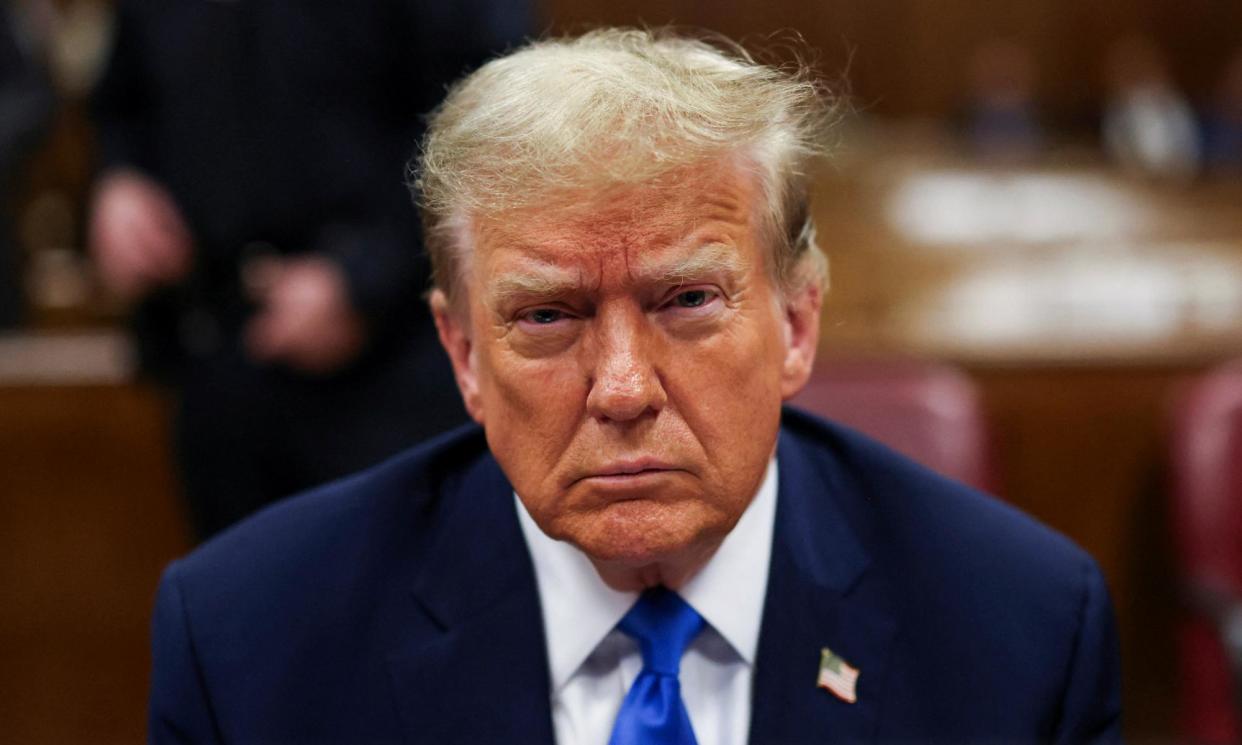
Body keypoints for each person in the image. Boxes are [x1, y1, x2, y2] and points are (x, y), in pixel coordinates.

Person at [149, 28, 1122, 744]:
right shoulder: (253, 645)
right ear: (463, 355)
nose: (621, 388)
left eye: (688, 299)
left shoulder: (1018, 631)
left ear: (796, 323)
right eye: (547, 316)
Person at [88, 0, 530, 539]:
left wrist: (361, 279)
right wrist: (120, 180)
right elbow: (123, 101)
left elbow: (494, 116)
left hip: (395, 359)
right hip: (215, 350)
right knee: (233, 605)